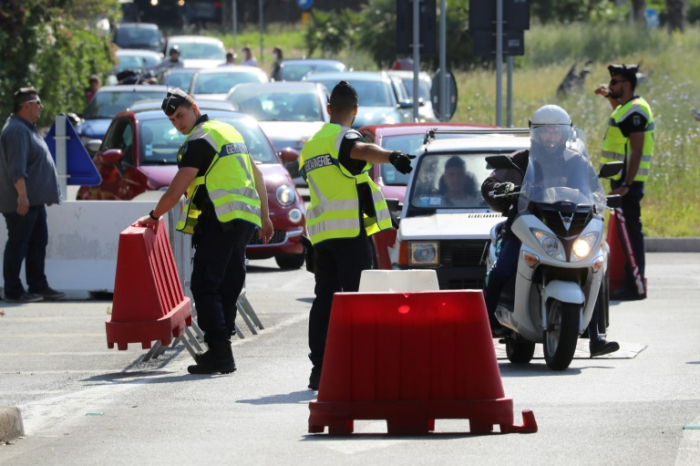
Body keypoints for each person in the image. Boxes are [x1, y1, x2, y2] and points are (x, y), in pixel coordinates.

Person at [136, 88, 273, 375]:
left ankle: (219, 351)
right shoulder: (229, 131)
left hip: (219, 217)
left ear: (194, 108)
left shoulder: (198, 141)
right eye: (173, 120)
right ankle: (222, 348)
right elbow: (257, 175)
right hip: (243, 218)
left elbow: (176, 188)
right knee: (228, 283)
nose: (178, 123)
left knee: (204, 284)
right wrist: (265, 216)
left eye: (181, 115)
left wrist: (154, 215)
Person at [300, 81, 415, 390]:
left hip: (322, 236)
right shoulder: (344, 136)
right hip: (350, 233)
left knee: (325, 299)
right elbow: (361, 149)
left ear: (328, 108)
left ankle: (320, 369)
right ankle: (362, 365)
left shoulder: (309, 146)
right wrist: (392, 156)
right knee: (360, 300)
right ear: (355, 110)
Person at [481, 104, 619, 358]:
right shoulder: (521, 159)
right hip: (528, 225)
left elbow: (594, 190)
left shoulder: (577, 161)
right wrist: (501, 186)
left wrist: (603, 197)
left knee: (596, 267)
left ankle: (597, 336)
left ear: (566, 133)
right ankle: (483, 328)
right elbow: (490, 182)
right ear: (535, 133)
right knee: (501, 270)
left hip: (570, 226)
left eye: (556, 131)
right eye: (546, 132)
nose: (551, 137)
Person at [594, 64, 653, 301]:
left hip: (627, 183)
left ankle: (635, 286)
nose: (610, 86)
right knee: (627, 233)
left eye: (615, 83)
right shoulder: (628, 107)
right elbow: (621, 113)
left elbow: (636, 151)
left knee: (630, 235)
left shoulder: (636, 111)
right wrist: (609, 95)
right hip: (622, 181)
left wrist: (626, 185)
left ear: (627, 85)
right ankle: (632, 282)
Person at [0, 88, 64, 303]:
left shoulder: (25, 128)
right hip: (21, 202)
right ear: (26, 105)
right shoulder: (17, 130)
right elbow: (16, 167)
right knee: (18, 243)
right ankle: (13, 290)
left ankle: (37, 285)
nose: (41, 106)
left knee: (37, 242)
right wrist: (23, 196)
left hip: (32, 201)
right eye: (37, 102)